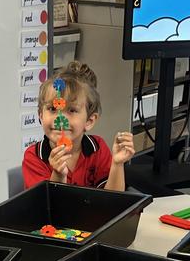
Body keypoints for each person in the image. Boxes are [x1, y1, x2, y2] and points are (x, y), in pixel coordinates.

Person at [22, 61, 135, 191]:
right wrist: (58, 175)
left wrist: (117, 163)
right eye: (53, 109)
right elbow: (49, 208)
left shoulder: (98, 149)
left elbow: (113, 201)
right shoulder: (34, 157)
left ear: (89, 121)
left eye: (71, 110)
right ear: (40, 115)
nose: (60, 119)